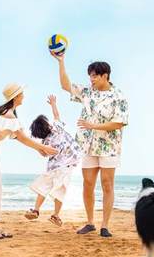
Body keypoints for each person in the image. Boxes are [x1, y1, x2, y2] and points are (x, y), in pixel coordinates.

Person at [0, 83, 58, 239]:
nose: (24, 96)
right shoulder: (8, 115)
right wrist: (43, 147)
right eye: (22, 94)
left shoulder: (8, 113)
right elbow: (22, 137)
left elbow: (19, 138)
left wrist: (39, 149)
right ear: (16, 97)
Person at [53, 52, 129, 237]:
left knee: (107, 184)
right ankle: (90, 222)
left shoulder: (118, 96)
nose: (91, 79)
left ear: (105, 76)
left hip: (109, 147)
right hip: (87, 145)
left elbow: (119, 123)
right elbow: (65, 85)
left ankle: (105, 225)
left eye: (94, 76)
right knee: (88, 183)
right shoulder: (87, 92)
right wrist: (61, 61)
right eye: (90, 76)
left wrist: (93, 126)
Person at [24, 94, 82, 227]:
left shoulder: (45, 142)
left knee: (43, 188)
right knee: (60, 191)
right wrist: (53, 104)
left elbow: (44, 154)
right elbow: (56, 115)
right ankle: (55, 215)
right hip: (66, 167)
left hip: (52, 168)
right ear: (48, 125)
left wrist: (40, 149)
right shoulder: (57, 128)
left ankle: (36, 210)